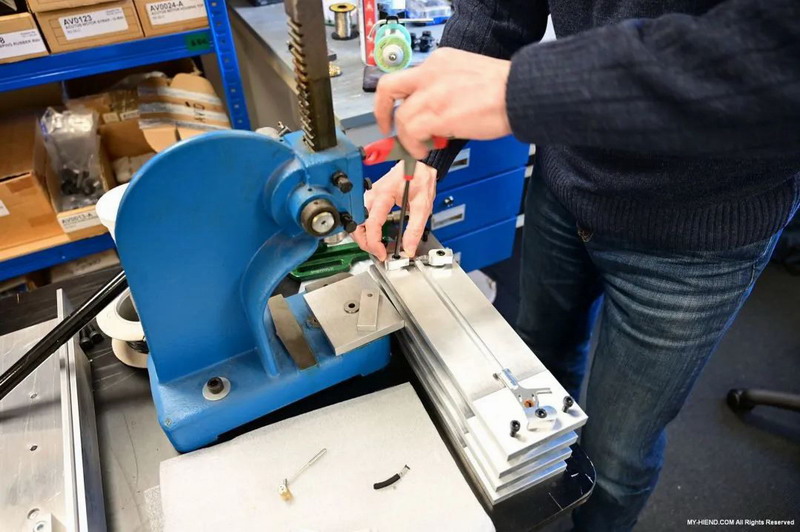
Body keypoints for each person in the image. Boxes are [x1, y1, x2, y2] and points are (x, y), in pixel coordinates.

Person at [351, 0, 800, 530]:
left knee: (616, 459)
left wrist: (535, 87)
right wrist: (425, 155)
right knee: (536, 369)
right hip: (567, 183)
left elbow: (777, 52)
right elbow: (496, 11)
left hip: (700, 230)